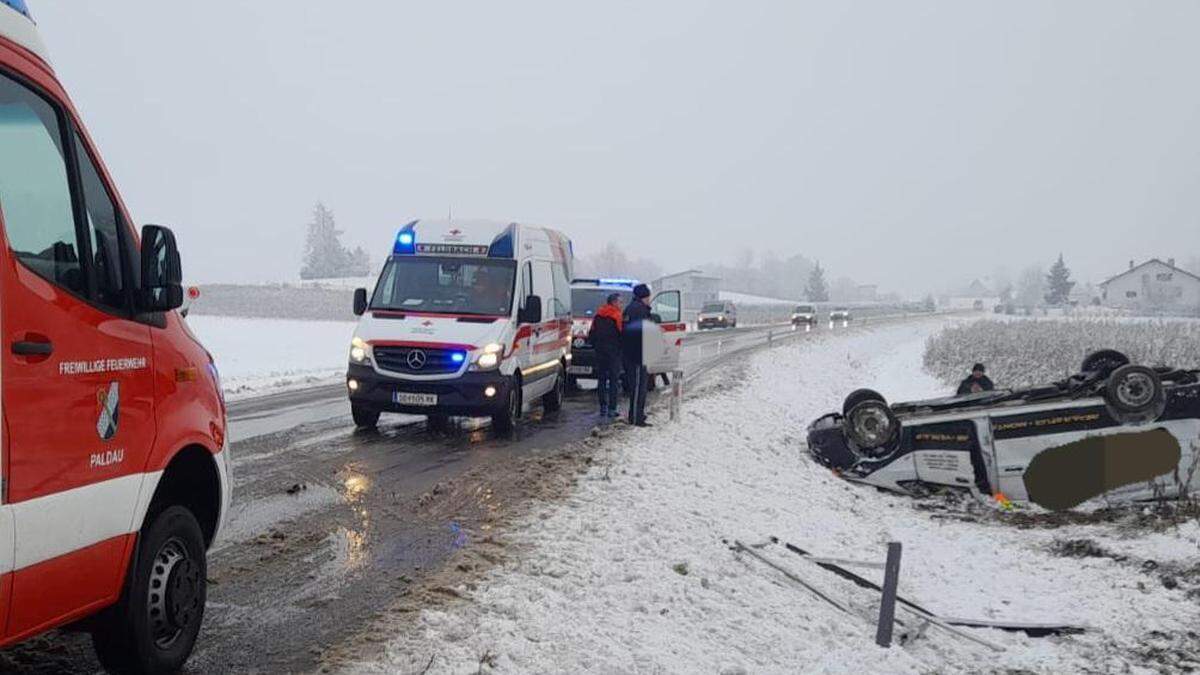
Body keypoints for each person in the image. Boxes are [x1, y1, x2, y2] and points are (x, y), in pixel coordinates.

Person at [587, 293, 624, 419]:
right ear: (614, 302)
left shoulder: (598, 315)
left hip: (600, 352)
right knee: (614, 380)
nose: (621, 305)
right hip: (613, 353)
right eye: (620, 302)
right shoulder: (617, 316)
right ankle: (612, 408)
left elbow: (591, 333)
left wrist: (596, 346)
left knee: (601, 379)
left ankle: (602, 406)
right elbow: (622, 333)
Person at [622, 284, 654, 427]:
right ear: (643, 297)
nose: (649, 300)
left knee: (639, 386)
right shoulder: (639, 310)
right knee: (638, 387)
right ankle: (636, 418)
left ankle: (637, 415)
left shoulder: (631, 308)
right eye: (648, 297)